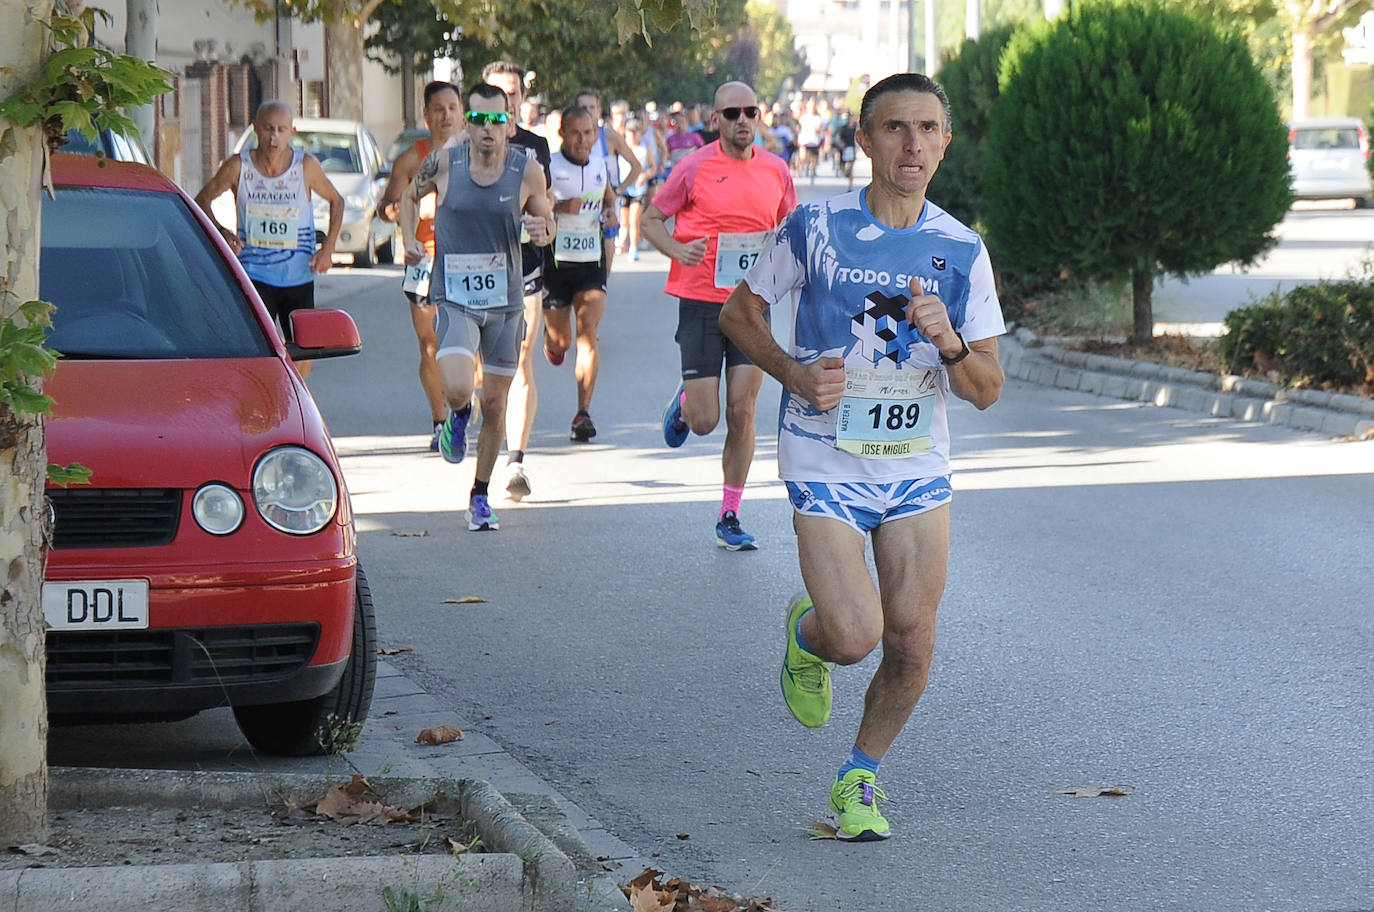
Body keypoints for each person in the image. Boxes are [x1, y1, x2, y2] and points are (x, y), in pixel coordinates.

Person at [718, 73, 1006, 841]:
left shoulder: (961, 248)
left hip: (915, 466)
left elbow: (986, 387)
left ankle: (860, 779)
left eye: (927, 129)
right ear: (864, 139)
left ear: (946, 141)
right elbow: (739, 313)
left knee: (912, 637)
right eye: (894, 128)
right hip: (826, 459)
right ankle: (809, 634)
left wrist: (947, 342)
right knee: (855, 636)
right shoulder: (814, 229)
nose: (912, 144)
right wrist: (793, 373)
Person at [640, 81, 796, 551]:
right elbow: (650, 219)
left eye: (750, 111)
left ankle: (730, 512)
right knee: (707, 419)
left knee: (743, 411)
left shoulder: (777, 170)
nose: (742, 120)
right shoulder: (693, 167)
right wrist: (676, 249)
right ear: (716, 121)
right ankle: (688, 401)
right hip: (703, 301)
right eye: (732, 113)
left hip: (752, 304)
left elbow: (791, 230)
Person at [400, 82, 555, 531]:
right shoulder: (445, 162)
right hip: (457, 297)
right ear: (468, 123)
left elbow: (546, 218)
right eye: (480, 119)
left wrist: (543, 230)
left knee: (496, 401)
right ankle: (456, 417)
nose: (489, 129)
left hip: (506, 301)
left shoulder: (527, 170)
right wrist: (409, 238)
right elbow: (410, 197)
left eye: (497, 119)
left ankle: (480, 493)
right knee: (457, 389)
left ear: (510, 123)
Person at [195, 100, 343, 378]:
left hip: (297, 276)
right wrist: (223, 233)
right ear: (255, 129)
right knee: (254, 347)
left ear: (292, 132)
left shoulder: (305, 167)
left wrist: (328, 248)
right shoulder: (239, 166)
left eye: (281, 129)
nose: (274, 136)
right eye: (268, 129)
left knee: (303, 347)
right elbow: (201, 200)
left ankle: (297, 399)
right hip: (254, 274)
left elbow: (337, 201)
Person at [377, 81, 464, 450]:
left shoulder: (476, 153)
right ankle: (439, 422)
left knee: (468, 343)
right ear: (426, 115)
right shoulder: (411, 159)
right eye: (438, 109)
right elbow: (386, 207)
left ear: (462, 113)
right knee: (429, 344)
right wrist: (396, 210)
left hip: (467, 260)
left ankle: (462, 397)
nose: (446, 115)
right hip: (423, 259)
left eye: (452, 108)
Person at [481, 60, 554, 501]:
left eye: (512, 94)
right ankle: (465, 408)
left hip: (524, 267)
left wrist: (548, 229)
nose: (505, 103)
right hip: (472, 270)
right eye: (496, 94)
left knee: (520, 357)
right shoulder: (461, 147)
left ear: (521, 100)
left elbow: (546, 207)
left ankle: (515, 462)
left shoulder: (536, 147)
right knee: (481, 370)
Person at [542, 105, 619, 443]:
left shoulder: (601, 165)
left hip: (590, 262)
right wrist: (558, 207)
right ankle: (553, 345)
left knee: (588, 332)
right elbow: (530, 204)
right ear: (562, 134)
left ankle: (583, 412)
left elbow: (609, 199)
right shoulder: (548, 166)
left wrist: (610, 212)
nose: (582, 140)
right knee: (562, 342)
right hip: (555, 265)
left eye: (588, 133)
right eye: (575, 133)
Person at [575, 89, 641, 276]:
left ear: (599, 110)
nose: (587, 110)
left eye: (591, 106)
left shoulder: (609, 136)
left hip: (606, 201)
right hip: (578, 201)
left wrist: (619, 189)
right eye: (582, 107)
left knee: (607, 240)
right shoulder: (570, 136)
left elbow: (636, 166)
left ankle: (603, 281)